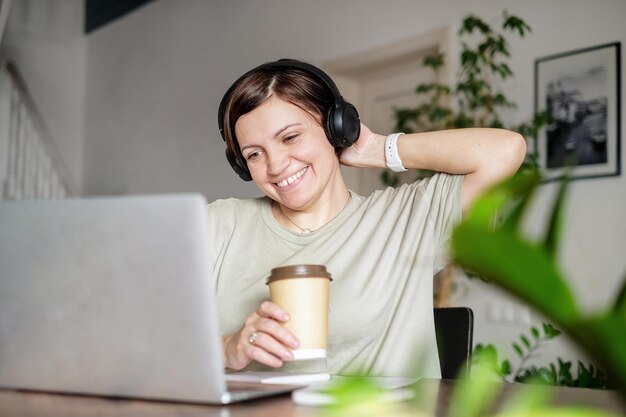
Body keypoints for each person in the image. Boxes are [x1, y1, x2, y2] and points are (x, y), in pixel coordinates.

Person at [209, 59, 526, 378]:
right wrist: (227, 348)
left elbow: (504, 152)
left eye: (290, 137)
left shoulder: (406, 218)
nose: (275, 165)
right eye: (254, 154)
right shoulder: (219, 224)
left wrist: (376, 149)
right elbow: (160, 337)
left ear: (335, 128)